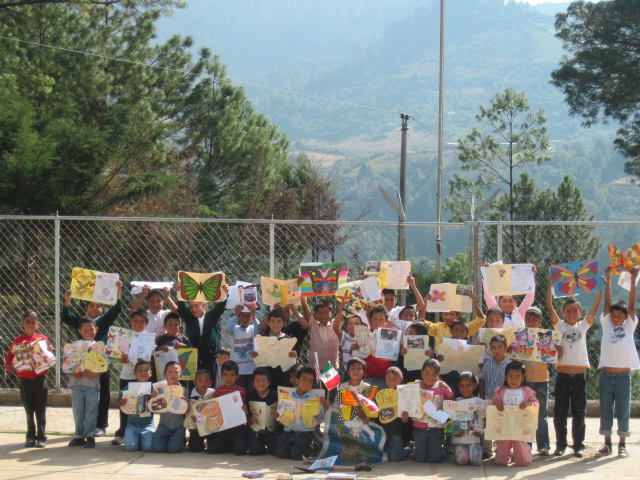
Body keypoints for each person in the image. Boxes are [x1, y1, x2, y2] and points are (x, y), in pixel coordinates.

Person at [547, 276, 602, 458]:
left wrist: (599, 289)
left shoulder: (583, 326)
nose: (571, 313)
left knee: (579, 412)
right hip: (562, 376)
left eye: (575, 311)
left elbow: (595, 309)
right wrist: (550, 284)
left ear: (580, 312)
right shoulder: (560, 326)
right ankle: (560, 445)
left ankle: (578, 445)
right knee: (560, 412)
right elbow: (549, 306)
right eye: (568, 311)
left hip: (579, 377)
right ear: (563, 313)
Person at [62, 281, 122, 436]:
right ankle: (81, 431)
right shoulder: (81, 321)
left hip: (100, 363)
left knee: (103, 394)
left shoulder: (104, 320)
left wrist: (118, 290)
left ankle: (100, 425)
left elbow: (117, 309)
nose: (95, 308)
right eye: (91, 305)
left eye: (98, 306)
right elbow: (66, 316)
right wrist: (67, 300)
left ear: (102, 308)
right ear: (86, 307)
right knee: (83, 400)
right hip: (82, 366)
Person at [595, 267, 639, 459]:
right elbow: (607, 303)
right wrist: (609, 280)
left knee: (623, 410)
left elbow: (631, 304)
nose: (615, 318)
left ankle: (622, 444)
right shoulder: (607, 324)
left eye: (619, 315)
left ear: (625, 317)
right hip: (606, 375)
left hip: (623, 376)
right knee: (605, 409)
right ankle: (607, 443)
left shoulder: (629, 325)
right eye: (613, 315)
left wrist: (633, 281)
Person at [5, 312, 51, 448]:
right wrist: (9, 366)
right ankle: (30, 437)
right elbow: (10, 356)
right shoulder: (18, 341)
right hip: (25, 379)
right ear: (22, 324)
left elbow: (48, 355)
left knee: (40, 409)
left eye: (33, 322)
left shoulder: (42, 339)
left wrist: (50, 351)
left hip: (40, 379)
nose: (30, 324)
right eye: (27, 321)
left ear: (38, 324)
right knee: (29, 410)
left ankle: (41, 437)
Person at [113, 309, 152, 446]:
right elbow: (118, 355)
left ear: (146, 323)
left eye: (142, 321)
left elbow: (151, 357)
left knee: (142, 405)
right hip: (127, 376)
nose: (138, 324)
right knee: (126, 404)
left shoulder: (149, 338)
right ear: (130, 322)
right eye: (135, 321)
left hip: (142, 377)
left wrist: (143, 360)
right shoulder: (124, 337)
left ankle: (142, 431)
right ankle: (122, 432)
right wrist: (121, 359)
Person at [169, 283, 228, 374]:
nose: (193, 309)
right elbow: (182, 304)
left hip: (210, 357)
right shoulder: (189, 317)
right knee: (195, 380)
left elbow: (221, 305)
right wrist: (179, 291)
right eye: (191, 306)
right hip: (193, 357)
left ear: (204, 305)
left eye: (196, 306)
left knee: (210, 381)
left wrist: (225, 293)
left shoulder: (211, 316)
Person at [492, 361, 539, 467]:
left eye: (517, 376)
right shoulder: (500, 391)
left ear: (523, 377)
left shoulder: (527, 391)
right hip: (504, 428)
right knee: (501, 461)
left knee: (523, 462)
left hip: (520, 429)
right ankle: (507, 453)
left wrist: (528, 404)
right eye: (511, 376)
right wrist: (496, 402)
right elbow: (492, 403)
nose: (514, 380)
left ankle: (525, 452)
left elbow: (536, 404)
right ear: (506, 376)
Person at [276, 366, 328, 460]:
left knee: (297, 456)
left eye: (310, 381)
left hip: (305, 433)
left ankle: (312, 446)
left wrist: (323, 408)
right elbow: (282, 416)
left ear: (312, 384)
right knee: (280, 453)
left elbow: (319, 419)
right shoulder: (288, 397)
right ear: (297, 380)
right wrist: (278, 415)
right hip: (289, 432)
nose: (306, 383)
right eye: (304, 379)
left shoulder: (314, 399)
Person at [67, 318, 103, 448]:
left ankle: (90, 436)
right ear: (79, 331)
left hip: (92, 384)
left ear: (96, 330)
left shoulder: (99, 347)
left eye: (91, 330)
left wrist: (94, 373)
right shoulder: (74, 346)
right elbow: (66, 365)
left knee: (91, 411)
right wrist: (73, 373)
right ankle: (78, 436)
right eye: (85, 330)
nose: (88, 332)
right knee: (78, 411)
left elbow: (104, 366)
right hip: (77, 384)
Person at [411, 358, 454, 463]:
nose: (430, 377)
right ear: (421, 372)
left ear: (438, 375)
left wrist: (444, 407)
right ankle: (416, 448)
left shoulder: (442, 387)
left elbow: (453, 402)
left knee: (435, 459)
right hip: (419, 429)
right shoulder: (415, 385)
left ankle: (446, 449)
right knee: (420, 459)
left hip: (436, 430)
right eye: (427, 373)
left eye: (434, 374)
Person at [522, 307, 552, 456]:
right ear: (524, 320)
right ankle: (526, 445)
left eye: (535, 320)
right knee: (526, 413)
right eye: (528, 320)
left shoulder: (546, 338)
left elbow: (553, 356)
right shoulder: (521, 337)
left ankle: (543, 445)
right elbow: (515, 357)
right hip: (525, 381)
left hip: (542, 380)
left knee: (541, 415)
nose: (531, 322)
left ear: (541, 321)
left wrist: (556, 349)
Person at [478, 334, 510, 459]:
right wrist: (481, 396)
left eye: (500, 347)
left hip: (503, 399)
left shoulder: (509, 365)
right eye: (494, 347)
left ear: (505, 348)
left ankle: (500, 448)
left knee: (501, 423)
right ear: (490, 349)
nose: (497, 350)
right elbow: (482, 380)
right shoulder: (488, 364)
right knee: (488, 423)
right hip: (488, 397)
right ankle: (487, 449)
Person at [207, 360, 249, 455]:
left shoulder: (241, 391)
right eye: (225, 375)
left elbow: (244, 410)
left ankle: (235, 443)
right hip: (222, 427)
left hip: (237, 427)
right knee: (212, 449)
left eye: (232, 375)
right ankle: (230, 444)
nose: (228, 378)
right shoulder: (218, 391)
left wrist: (245, 410)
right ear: (221, 376)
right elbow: (214, 408)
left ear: (237, 376)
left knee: (240, 451)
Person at [252, 309, 297, 390]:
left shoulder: (287, 340)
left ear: (284, 323)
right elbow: (258, 360)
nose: (275, 324)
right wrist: (255, 355)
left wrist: (293, 357)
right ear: (268, 323)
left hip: (283, 378)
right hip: (265, 379)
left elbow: (290, 363)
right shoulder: (262, 338)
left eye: (279, 321)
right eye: (272, 321)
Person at [117, 360, 154, 452]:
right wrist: (121, 402)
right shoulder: (129, 387)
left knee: (148, 448)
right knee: (130, 447)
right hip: (132, 424)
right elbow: (118, 401)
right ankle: (134, 439)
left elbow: (159, 407)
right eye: (140, 370)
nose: (143, 373)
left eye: (146, 370)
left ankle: (140, 439)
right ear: (135, 373)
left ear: (150, 373)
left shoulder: (153, 388)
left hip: (147, 425)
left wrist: (155, 398)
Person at [151, 361, 188, 453]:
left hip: (179, 425)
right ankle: (171, 439)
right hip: (164, 424)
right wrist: (154, 399)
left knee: (173, 449)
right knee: (157, 448)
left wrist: (184, 402)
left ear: (180, 375)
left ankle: (180, 440)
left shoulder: (183, 390)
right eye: (170, 372)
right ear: (165, 374)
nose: (173, 374)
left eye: (176, 372)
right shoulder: (160, 389)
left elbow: (187, 411)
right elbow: (155, 411)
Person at [360, 305, 399, 390]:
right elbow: (356, 352)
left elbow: (398, 352)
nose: (378, 322)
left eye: (381, 319)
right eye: (375, 319)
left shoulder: (391, 335)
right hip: (366, 377)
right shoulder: (364, 334)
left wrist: (403, 351)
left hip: (385, 379)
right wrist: (354, 348)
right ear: (370, 320)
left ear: (386, 321)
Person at [379, 366, 411, 461]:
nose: (391, 381)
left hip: (396, 431)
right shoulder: (381, 394)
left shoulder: (405, 394)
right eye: (388, 378)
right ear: (385, 379)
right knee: (379, 456)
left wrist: (406, 418)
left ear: (400, 379)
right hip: (382, 431)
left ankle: (409, 447)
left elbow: (408, 416)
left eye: (395, 378)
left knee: (394, 458)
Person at [300, 297, 340, 370]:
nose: (323, 316)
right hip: (316, 367)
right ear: (315, 314)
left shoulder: (336, 324)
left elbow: (343, 312)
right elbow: (305, 307)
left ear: (331, 313)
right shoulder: (313, 325)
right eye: (320, 313)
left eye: (326, 313)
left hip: (332, 367)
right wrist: (302, 295)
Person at [452, 372, 483, 466]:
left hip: (474, 439)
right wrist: (455, 431)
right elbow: (452, 419)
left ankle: (469, 450)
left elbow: (483, 418)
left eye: (468, 385)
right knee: (463, 460)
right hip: (459, 440)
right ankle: (456, 449)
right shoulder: (456, 402)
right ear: (458, 386)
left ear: (475, 385)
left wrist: (481, 432)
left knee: (476, 461)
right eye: (462, 385)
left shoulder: (480, 402)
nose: (465, 389)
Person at [226, 305, 260, 390]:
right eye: (243, 315)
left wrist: (253, 315)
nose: (245, 319)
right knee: (240, 394)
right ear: (239, 317)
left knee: (251, 393)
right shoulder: (235, 330)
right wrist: (236, 314)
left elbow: (258, 331)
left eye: (248, 316)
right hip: (238, 371)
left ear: (251, 318)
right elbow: (228, 330)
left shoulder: (252, 329)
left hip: (252, 370)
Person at [247, 367, 278, 455]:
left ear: (269, 382)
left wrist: (277, 417)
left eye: (264, 380)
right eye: (258, 380)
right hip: (256, 431)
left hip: (271, 430)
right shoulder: (250, 396)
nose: (261, 383)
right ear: (253, 383)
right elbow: (248, 415)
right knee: (255, 451)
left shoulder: (275, 395)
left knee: (276, 451)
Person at [437, 319, 471, 398]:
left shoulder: (471, 347)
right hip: (447, 378)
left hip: (464, 380)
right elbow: (439, 364)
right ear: (451, 331)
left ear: (467, 332)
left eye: (462, 331)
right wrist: (439, 359)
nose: (459, 333)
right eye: (456, 330)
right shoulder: (444, 345)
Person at [187, 369, 214, 452]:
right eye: (200, 380)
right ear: (195, 381)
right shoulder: (190, 396)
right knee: (195, 448)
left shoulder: (214, 394)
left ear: (210, 382)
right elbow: (187, 415)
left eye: (206, 380)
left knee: (214, 448)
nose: (203, 383)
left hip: (211, 427)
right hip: (196, 428)